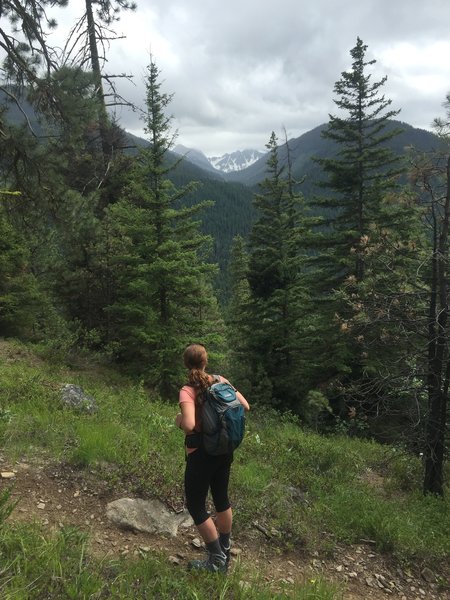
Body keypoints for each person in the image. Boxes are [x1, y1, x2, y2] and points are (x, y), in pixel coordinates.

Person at [175, 343, 250, 573]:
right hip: (224, 451)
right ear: (205, 361)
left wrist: (179, 420)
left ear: (186, 364)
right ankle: (224, 550)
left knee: (196, 505)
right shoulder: (220, 380)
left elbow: (188, 425)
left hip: (201, 454)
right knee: (221, 499)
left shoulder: (188, 390)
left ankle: (216, 560)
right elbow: (245, 406)